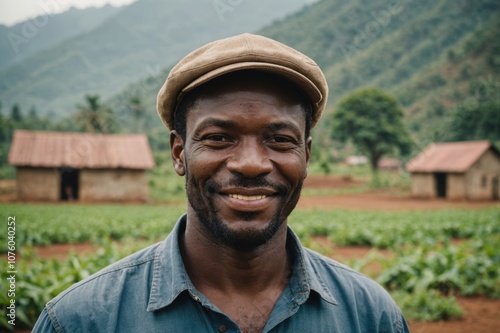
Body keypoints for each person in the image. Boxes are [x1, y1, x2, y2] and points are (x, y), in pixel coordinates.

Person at [33, 33, 409, 333]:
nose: (251, 164)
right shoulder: (79, 321)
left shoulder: (372, 317)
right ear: (179, 152)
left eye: (279, 140)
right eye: (218, 138)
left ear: (306, 156)